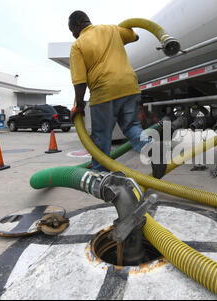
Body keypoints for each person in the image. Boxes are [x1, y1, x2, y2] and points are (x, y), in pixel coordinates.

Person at [68, 10, 166, 178]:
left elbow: (79, 81)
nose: (73, 35)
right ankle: (152, 149)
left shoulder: (78, 45)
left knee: (101, 138)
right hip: (129, 86)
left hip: (104, 91)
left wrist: (79, 106)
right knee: (132, 127)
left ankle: (101, 177)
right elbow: (134, 36)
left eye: (72, 30)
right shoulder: (112, 29)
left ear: (77, 25)